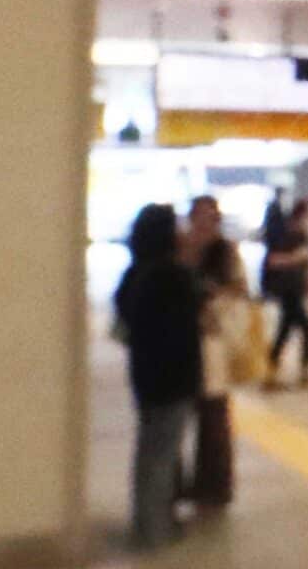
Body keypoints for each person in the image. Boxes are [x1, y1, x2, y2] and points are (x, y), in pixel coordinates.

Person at [113, 204, 203, 549]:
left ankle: (145, 522)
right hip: (174, 379)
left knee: (148, 453)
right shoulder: (173, 276)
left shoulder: (135, 273)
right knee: (162, 457)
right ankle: (155, 531)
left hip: (146, 376)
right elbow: (187, 323)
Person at [189, 236, 249, 513]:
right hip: (204, 361)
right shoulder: (189, 251)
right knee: (209, 424)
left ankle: (214, 487)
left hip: (210, 360)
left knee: (213, 424)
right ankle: (208, 486)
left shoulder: (224, 257)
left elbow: (240, 295)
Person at [263, 198, 308, 389]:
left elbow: (302, 267)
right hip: (287, 291)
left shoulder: (301, 236)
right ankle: (304, 374)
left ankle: (271, 373)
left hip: (294, 290)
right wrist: (295, 258)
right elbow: (273, 261)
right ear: (301, 216)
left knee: (285, 330)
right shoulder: (287, 235)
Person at [256, 189, 289, 297]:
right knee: (271, 266)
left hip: (275, 243)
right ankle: (268, 290)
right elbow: (271, 226)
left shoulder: (277, 208)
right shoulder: (274, 208)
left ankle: (270, 290)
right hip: (273, 242)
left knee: (273, 267)